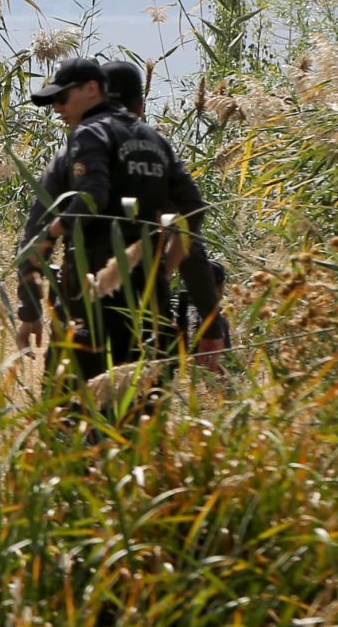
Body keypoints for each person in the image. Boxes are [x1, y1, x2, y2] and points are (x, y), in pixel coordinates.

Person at [13, 56, 196, 388]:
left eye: (62, 97)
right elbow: (192, 211)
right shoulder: (154, 140)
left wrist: (50, 237)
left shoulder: (89, 134)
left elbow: (88, 199)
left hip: (90, 308)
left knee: (67, 421)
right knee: (139, 424)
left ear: (92, 89)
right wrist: (163, 271)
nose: (56, 108)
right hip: (148, 310)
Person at [99, 58, 229, 367]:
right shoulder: (157, 156)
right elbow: (189, 226)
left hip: (86, 316)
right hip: (144, 314)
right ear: (140, 106)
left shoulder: (79, 154)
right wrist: (210, 322)